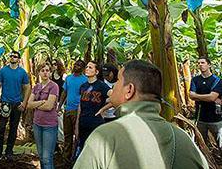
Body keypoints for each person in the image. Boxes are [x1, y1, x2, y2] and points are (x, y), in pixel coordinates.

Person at [74, 60, 209, 169]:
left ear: (129, 90)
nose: (113, 86)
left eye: (119, 80)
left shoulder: (105, 136)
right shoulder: (182, 138)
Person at [0, 51, 31, 162]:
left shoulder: (22, 72)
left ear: (18, 59)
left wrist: (24, 103)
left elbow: (27, 87)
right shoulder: (3, 70)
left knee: (13, 128)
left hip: (17, 104)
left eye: (15, 56)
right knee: (0, 128)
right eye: (11, 56)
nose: (12, 58)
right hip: (5, 103)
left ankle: (9, 152)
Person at [27, 63, 59, 169]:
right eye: (43, 70)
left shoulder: (54, 86)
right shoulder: (36, 86)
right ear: (39, 73)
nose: (45, 72)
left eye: (47, 70)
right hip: (37, 124)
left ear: (50, 72)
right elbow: (28, 104)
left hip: (49, 126)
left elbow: (49, 106)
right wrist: (42, 102)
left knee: (47, 157)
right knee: (41, 156)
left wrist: (35, 104)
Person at [75, 61, 110, 150]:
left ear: (97, 72)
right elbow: (80, 105)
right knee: (83, 149)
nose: (87, 68)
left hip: (96, 124)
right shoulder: (83, 86)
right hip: (83, 123)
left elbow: (116, 97)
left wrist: (103, 108)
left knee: (95, 150)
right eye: (86, 67)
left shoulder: (102, 86)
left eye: (90, 67)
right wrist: (77, 125)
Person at [57, 59, 87, 163]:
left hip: (78, 111)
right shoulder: (68, 78)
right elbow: (64, 92)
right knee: (67, 134)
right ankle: (66, 157)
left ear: (83, 68)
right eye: (75, 64)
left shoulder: (85, 80)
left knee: (77, 135)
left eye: (79, 65)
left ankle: (76, 158)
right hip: (68, 110)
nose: (76, 66)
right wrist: (59, 106)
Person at [190, 56, 222, 150]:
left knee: (220, 144)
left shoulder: (217, 81)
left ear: (209, 65)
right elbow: (191, 96)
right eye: (199, 63)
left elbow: (212, 97)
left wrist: (198, 96)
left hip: (216, 119)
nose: (200, 65)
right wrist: (209, 97)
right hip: (200, 118)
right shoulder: (195, 80)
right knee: (201, 146)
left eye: (203, 63)